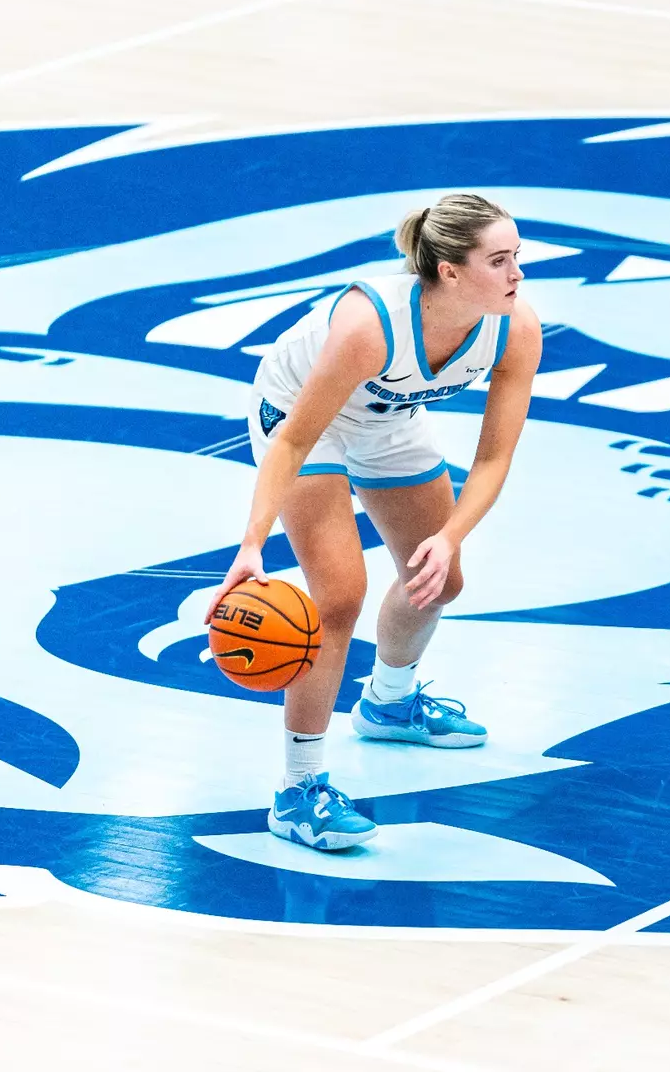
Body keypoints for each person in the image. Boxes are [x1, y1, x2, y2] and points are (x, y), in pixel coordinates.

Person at [205, 193, 541, 851]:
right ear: (450, 271)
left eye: (517, 258)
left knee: (437, 581)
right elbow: (296, 441)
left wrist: (449, 538)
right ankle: (298, 792)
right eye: (500, 261)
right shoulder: (370, 325)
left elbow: (496, 455)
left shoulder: (514, 328)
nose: (517, 274)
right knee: (337, 598)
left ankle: (389, 702)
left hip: (390, 422)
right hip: (304, 422)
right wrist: (252, 542)